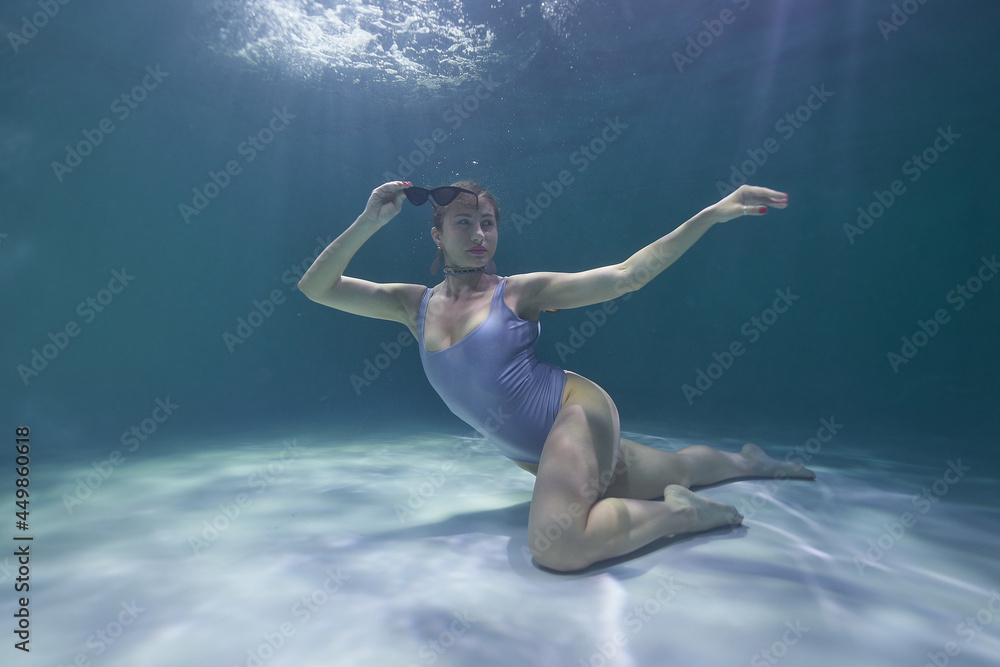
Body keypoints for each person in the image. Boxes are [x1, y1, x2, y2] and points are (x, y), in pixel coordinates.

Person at [298, 180, 814, 572]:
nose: (479, 234)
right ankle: (749, 462)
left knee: (557, 547)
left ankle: (687, 516)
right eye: (463, 223)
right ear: (436, 233)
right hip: (543, 453)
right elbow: (317, 287)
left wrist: (713, 213)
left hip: (575, 412)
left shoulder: (520, 292)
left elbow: (625, 276)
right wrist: (369, 220)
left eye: (488, 222)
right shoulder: (412, 305)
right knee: (673, 468)